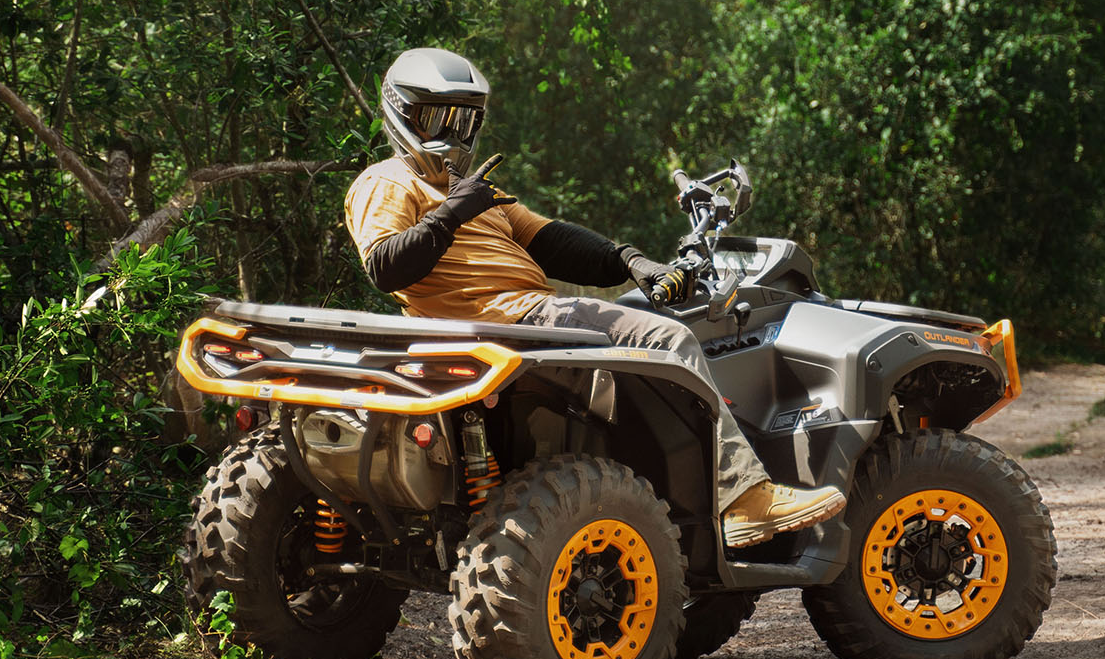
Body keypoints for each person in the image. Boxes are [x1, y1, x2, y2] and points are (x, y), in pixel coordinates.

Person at [344, 46, 846, 549]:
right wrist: (452, 212)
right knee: (670, 339)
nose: (453, 137)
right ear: (402, 113)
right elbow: (386, 267)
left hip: (526, 319)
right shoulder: (386, 181)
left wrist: (633, 262)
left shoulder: (476, 193)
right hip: (514, 320)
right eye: (438, 119)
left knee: (639, 340)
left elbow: (554, 242)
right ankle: (741, 500)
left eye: (464, 122)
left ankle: (656, 510)